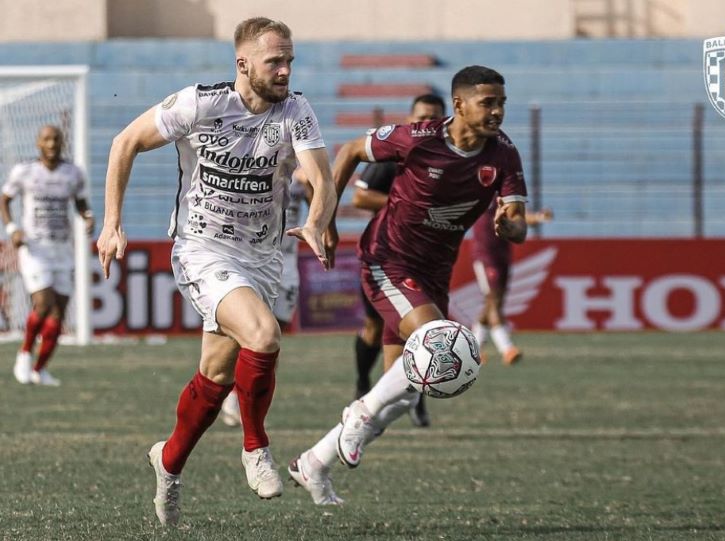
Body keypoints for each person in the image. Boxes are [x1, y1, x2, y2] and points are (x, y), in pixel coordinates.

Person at [96, 17, 336, 526]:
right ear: (243, 64)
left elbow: (320, 175)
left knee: (216, 376)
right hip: (202, 250)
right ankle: (256, 447)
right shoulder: (201, 104)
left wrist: (316, 220)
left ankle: (168, 462)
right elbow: (124, 143)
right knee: (264, 335)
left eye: (290, 60)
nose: (286, 70)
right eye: (275, 61)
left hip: (262, 257)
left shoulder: (296, 111)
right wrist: (111, 224)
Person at [288, 65, 528, 505]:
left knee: (408, 389)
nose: (497, 112)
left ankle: (314, 463)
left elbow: (518, 226)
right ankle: (359, 412)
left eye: (502, 103)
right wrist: (323, 218)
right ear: (459, 105)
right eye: (487, 102)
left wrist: (509, 226)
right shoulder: (418, 138)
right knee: (437, 346)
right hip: (388, 258)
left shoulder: (504, 155)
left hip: (435, 272)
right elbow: (348, 154)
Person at [351, 94, 446, 428]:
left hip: (429, 259)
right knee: (375, 327)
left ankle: (415, 402)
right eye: (421, 117)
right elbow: (360, 195)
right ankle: (363, 383)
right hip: (386, 256)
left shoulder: (449, 160)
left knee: (419, 335)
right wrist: (406, 206)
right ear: (410, 118)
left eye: (435, 118)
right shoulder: (393, 153)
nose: (427, 124)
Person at [2, 125, 94, 387]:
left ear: (62, 142)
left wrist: (87, 217)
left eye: (56, 139)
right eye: (46, 139)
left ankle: (39, 370)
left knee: (58, 315)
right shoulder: (25, 172)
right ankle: (23, 355)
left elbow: (80, 202)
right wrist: (12, 229)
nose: (52, 144)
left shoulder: (72, 173)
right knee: (43, 304)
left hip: (62, 249)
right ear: (38, 143)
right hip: (35, 249)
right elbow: (4, 200)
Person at [219, 168, 310, 427]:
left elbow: (319, 202)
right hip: (256, 260)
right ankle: (235, 397)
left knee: (274, 339)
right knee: (252, 334)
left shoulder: (303, 170)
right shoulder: (257, 163)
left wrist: (310, 181)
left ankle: (254, 403)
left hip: (288, 263)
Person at [470, 205, 552, 365]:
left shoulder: (504, 193)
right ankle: (507, 349)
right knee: (493, 301)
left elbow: (518, 216)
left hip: (502, 256)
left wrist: (538, 217)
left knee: (492, 303)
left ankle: (474, 349)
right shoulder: (481, 192)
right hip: (485, 255)